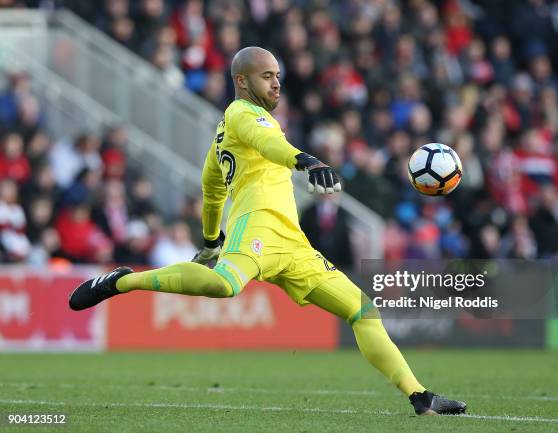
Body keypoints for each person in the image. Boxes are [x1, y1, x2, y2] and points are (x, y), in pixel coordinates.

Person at [68, 46, 466, 416]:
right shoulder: (244, 113)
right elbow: (269, 142)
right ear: (242, 81)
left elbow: (211, 192)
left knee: (362, 310)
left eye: (277, 75)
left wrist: (209, 241)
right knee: (225, 286)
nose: (276, 83)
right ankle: (122, 282)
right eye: (266, 76)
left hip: (292, 242)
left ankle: (420, 396)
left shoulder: (222, 139)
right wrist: (307, 161)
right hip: (257, 226)